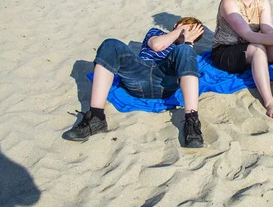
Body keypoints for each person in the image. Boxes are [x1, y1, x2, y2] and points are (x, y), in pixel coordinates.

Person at [62, 17, 206, 147]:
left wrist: (188, 42)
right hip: (139, 73)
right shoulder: (155, 32)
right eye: (187, 26)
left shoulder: (186, 49)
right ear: (177, 25)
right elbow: (156, 45)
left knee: (185, 51)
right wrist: (179, 32)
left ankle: (192, 122)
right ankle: (96, 117)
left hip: (165, 80)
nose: (188, 30)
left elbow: (187, 70)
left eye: (193, 30)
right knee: (110, 44)